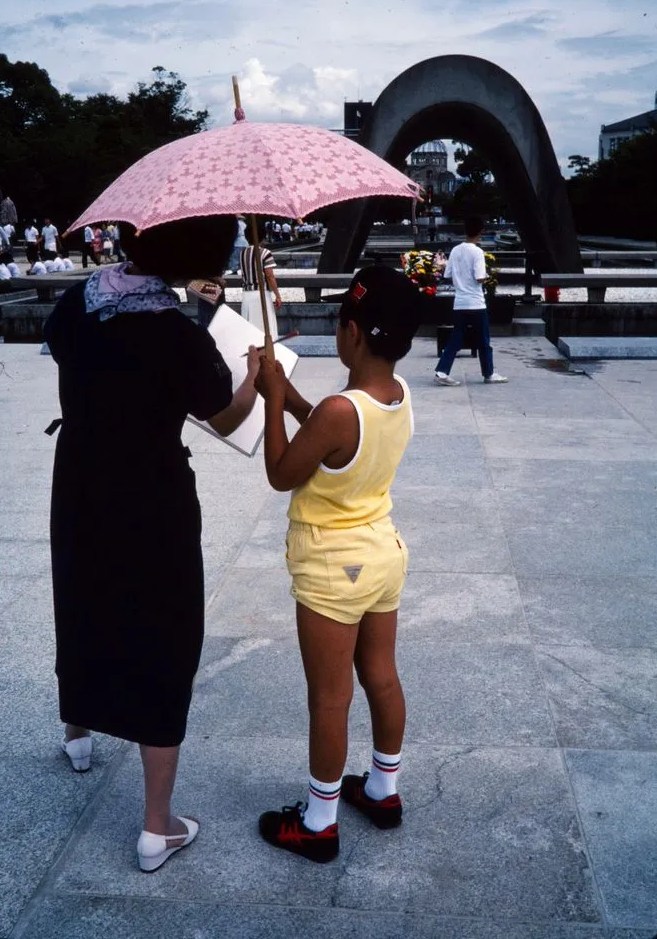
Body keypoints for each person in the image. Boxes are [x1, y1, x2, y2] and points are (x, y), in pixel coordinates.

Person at [43, 216, 260, 873]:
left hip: (80, 479)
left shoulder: (80, 301)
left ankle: (78, 735)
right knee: (162, 636)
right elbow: (222, 411)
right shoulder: (173, 333)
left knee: (84, 602)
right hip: (151, 495)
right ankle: (156, 826)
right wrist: (261, 376)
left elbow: (69, 348)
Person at [255, 264, 420, 863]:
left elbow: (282, 472)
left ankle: (319, 820)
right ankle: (382, 789)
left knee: (329, 697)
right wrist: (291, 394)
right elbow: (330, 441)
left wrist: (273, 399)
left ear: (352, 332)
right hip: (382, 553)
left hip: (333, 567)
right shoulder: (396, 397)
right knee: (380, 674)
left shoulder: (337, 409)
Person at [434, 214, 508, 386]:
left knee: (456, 338)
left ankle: (442, 371)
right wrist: (488, 275)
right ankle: (488, 373)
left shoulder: (455, 250)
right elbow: (480, 277)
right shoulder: (477, 252)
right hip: (475, 302)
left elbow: (448, 274)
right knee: (483, 340)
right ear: (481, 232)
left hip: (459, 302)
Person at [239, 222, 282, 337]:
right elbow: (269, 275)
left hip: (247, 294)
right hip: (261, 294)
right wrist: (277, 295)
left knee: (250, 329)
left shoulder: (242, 253)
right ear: (263, 236)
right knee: (265, 328)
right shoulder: (265, 253)